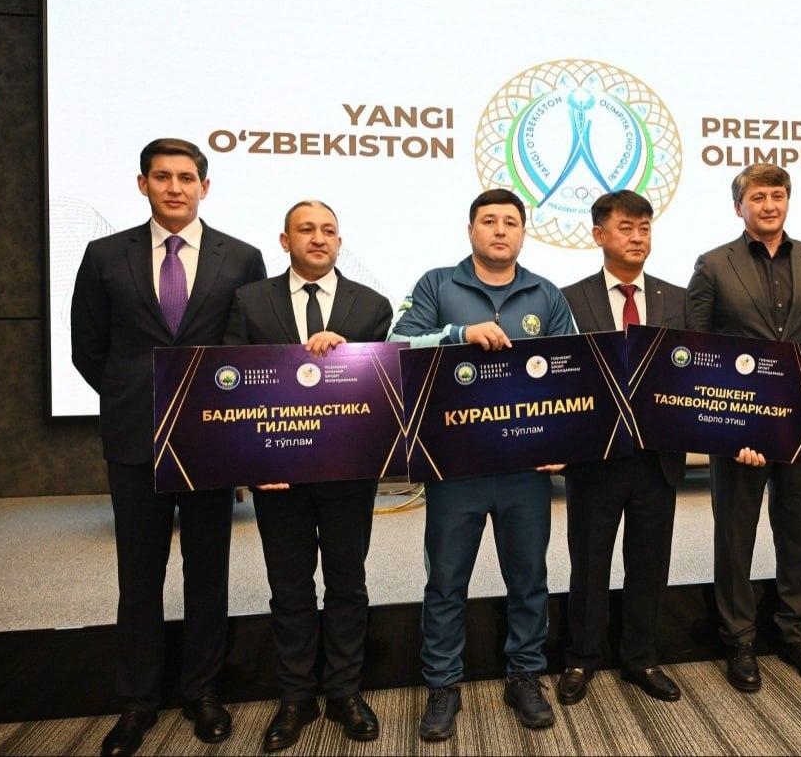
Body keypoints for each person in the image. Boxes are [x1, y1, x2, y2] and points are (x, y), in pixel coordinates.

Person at [71, 138, 267, 756]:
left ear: (204, 187)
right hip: (135, 438)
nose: (175, 188)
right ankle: (137, 703)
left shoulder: (243, 257)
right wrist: (137, 397)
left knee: (207, 572)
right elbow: (87, 348)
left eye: (187, 178)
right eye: (162, 177)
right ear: (143, 184)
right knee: (139, 575)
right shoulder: (105, 255)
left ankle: (201, 693)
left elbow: (249, 347)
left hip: (211, 442)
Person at [388, 188, 576, 741]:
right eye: (489, 221)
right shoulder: (436, 285)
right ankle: (443, 685)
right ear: (470, 229)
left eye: (510, 222)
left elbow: (573, 369)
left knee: (529, 577)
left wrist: (563, 441)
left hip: (525, 470)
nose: (499, 230)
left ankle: (525, 676)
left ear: (523, 232)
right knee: (446, 581)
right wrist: (457, 335)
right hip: (456, 468)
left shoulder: (545, 293)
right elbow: (396, 347)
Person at [223, 201, 392, 752]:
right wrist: (251, 463)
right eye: (306, 230)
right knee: (290, 587)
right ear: (284, 240)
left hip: (348, 476)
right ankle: (295, 696)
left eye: (328, 231)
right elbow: (231, 383)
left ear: (339, 242)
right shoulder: (250, 301)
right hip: (278, 478)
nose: (318, 238)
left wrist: (349, 355)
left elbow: (381, 390)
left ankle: (344, 690)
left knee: (347, 583)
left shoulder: (372, 306)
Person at [686, 163, 801, 692]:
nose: (769, 205)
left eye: (777, 195)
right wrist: (725, 427)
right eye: (757, 197)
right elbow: (698, 347)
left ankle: (795, 633)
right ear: (739, 207)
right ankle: (738, 638)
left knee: (799, 530)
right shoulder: (713, 264)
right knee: (735, 535)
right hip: (737, 426)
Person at [556, 190, 688, 705]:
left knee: (649, 562)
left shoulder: (678, 299)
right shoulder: (568, 299)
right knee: (589, 562)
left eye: (644, 228)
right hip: (595, 457)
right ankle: (581, 657)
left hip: (658, 457)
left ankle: (641, 658)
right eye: (626, 228)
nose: (637, 237)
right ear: (598, 235)